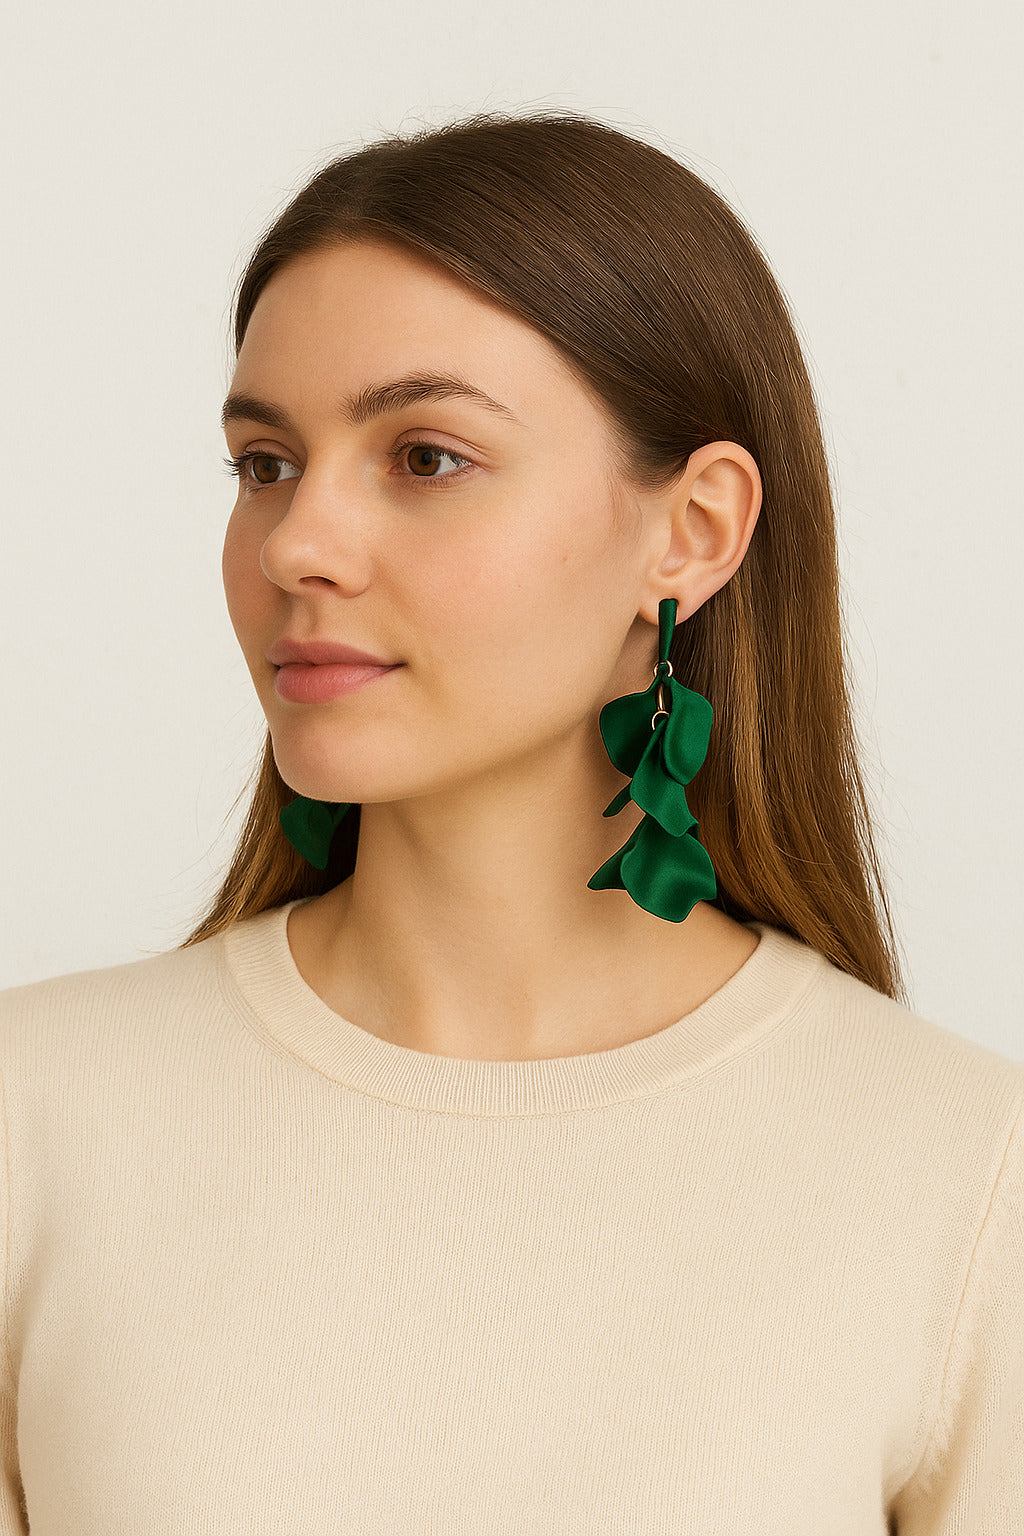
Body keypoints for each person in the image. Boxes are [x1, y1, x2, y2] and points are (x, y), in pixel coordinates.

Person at [0, 110, 1020, 1533]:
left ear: (692, 532)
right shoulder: (33, 1117)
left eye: (426, 458)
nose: (296, 544)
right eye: (265, 463)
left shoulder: (963, 1173)